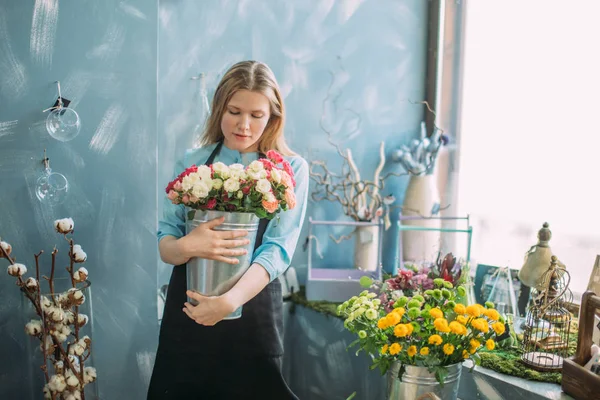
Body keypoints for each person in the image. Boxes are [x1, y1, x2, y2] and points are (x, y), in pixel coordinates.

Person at [147, 61, 308, 400]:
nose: (244, 125)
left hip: (253, 311)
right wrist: (190, 245)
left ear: (273, 117)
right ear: (219, 107)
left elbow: (277, 250)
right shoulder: (192, 163)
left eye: (256, 115)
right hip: (188, 307)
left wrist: (228, 302)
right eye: (234, 111)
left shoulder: (292, 169)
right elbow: (166, 244)